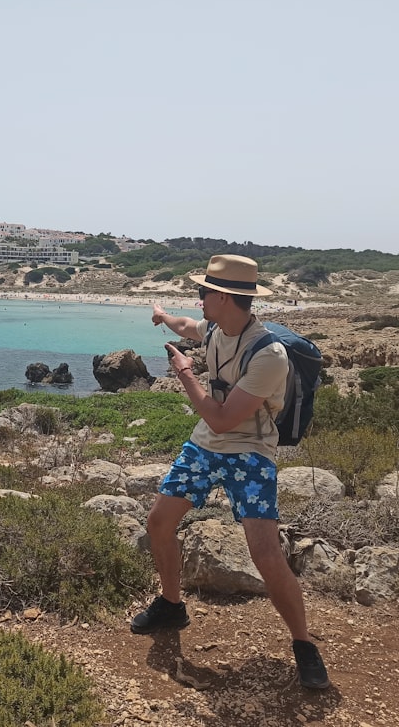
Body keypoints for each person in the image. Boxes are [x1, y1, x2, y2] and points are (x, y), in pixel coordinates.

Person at [134, 254, 330, 690]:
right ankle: (171, 605)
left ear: (222, 297)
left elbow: (223, 418)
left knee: (264, 553)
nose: (199, 298)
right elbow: (189, 327)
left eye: (203, 292)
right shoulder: (217, 329)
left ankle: (303, 644)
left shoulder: (270, 355)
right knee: (159, 523)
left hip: (249, 452)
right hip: (205, 446)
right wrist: (163, 317)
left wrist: (185, 373)